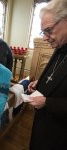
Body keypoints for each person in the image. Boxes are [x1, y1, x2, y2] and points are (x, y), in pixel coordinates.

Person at [28, 0, 67, 149]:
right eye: (43, 32)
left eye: (48, 30)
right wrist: (42, 81)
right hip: (43, 122)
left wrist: (47, 102)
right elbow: (57, 74)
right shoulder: (61, 43)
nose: (44, 38)